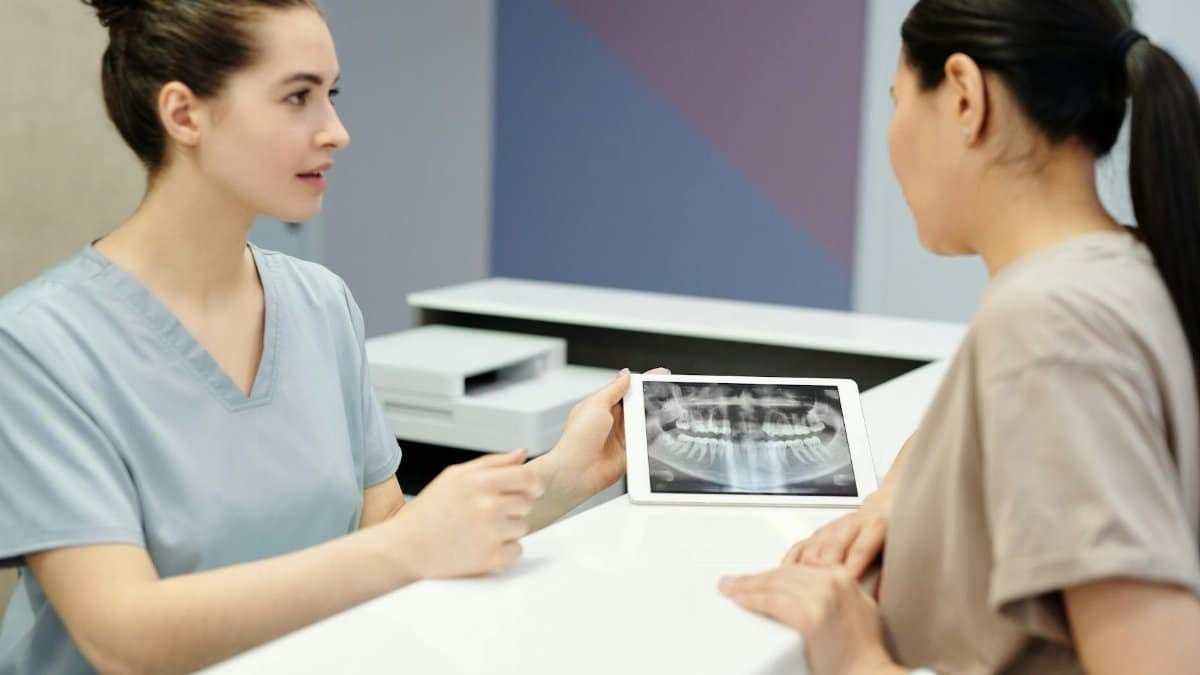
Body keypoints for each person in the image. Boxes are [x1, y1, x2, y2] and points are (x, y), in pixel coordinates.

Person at [0, 2, 638, 673]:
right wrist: (404, 549)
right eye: (298, 96)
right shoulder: (39, 344)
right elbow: (121, 634)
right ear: (184, 114)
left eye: (330, 95)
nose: (336, 131)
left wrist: (563, 477)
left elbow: (389, 532)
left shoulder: (319, 304)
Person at [718, 1, 1200, 673]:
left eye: (899, 100)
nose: (893, 135)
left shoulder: (1050, 325)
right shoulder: (1119, 272)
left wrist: (856, 657)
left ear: (965, 97)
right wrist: (899, 500)